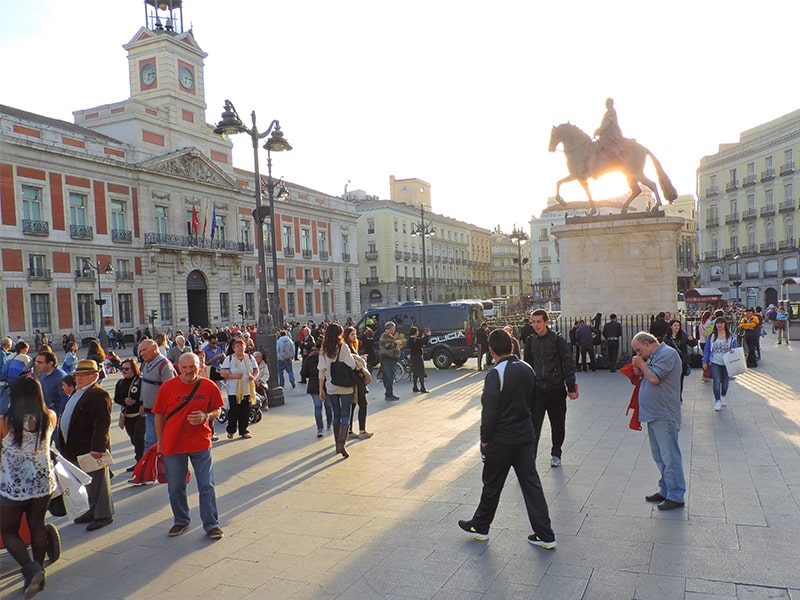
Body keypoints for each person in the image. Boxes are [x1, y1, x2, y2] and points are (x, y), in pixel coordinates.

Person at [457, 329, 556, 549]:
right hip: (524, 437)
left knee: (492, 484)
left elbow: (489, 412)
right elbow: (534, 404)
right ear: (512, 346)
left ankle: (481, 525)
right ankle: (545, 533)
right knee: (532, 485)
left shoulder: (496, 374)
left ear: (491, 351)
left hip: (501, 439)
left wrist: (485, 440)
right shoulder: (527, 368)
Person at [153, 353, 224, 540]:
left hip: (200, 442)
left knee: (206, 485)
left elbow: (218, 409)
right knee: (176, 487)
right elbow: (158, 415)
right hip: (173, 443)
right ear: (178, 367)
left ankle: (212, 525)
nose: (188, 371)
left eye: (192, 367)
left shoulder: (209, 386)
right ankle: (181, 520)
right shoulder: (167, 387)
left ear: (199, 366)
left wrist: (206, 416)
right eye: (184, 368)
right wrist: (160, 441)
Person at [0, 377, 57, 597]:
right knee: (37, 525)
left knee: (8, 531)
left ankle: (30, 569)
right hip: (43, 484)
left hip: (13, 487)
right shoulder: (49, 417)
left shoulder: (4, 422)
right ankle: (39, 568)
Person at [57, 359, 114, 530]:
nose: (79, 378)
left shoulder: (98, 394)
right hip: (76, 447)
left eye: (84, 375)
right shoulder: (79, 392)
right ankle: (92, 510)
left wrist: (97, 448)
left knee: (98, 483)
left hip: (90, 448)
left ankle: (104, 514)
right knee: (86, 483)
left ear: (95, 375)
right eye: (77, 375)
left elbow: (101, 422)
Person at [631, 332, 685, 510]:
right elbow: (649, 375)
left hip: (664, 413)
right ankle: (666, 489)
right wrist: (640, 368)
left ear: (648, 343)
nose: (639, 354)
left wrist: (642, 365)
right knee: (660, 455)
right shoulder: (654, 356)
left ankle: (676, 495)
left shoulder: (667, 354)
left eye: (639, 350)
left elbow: (654, 378)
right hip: (654, 413)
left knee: (669, 456)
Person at [523, 309, 578, 468]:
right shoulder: (530, 341)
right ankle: (530, 457)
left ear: (546, 322)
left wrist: (571, 387)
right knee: (533, 426)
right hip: (537, 390)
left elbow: (568, 363)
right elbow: (527, 366)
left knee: (558, 423)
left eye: (539, 321)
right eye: (533, 322)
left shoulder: (557, 339)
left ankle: (556, 453)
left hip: (556, 389)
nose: (536, 325)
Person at [318, 323, 357, 458]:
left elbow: (321, 371)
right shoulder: (344, 347)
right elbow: (352, 365)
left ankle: (336, 444)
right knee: (346, 414)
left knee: (336, 414)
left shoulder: (323, 349)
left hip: (331, 386)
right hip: (345, 385)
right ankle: (342, 443)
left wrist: (320, 390)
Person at [138, 339, 177, 451]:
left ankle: (149, 466)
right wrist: (142, 403)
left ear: (155, 348)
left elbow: (171, 391)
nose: (142, 353)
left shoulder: (165, 365)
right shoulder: (147, 364)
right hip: (149, 411)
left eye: (145, 350)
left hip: (160, 413)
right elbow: (144, 384)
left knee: (152, 442)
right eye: (140, 351)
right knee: (150, 441)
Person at [220, 338, 258, 440]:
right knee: (234, 411)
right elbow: (223, 372)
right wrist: (233, 376)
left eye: (242, 346)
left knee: (245, 410)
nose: (240, 348)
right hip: (233, 390)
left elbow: (256, 370)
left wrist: (253, 377)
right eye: (237, 346)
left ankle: (244, 430)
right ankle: (231, 430)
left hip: (247, 389)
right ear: (233, 348)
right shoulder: (229, 359)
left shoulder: (250, 358)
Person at [113, 358, 144, 469]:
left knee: (139, 439)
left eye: (126, 369)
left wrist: (142, 404)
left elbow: (146, 395)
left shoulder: (140, 381)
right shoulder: (120, 383)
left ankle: (141, 462)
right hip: (127, 416)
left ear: (133, 369)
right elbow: (116, 398)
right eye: (122, 369)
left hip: (140, 415)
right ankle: (140, 460)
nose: (124, 371)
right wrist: (124, 401)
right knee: (134, 440)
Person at [702, 318, 738, 412]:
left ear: (725, 324)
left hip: (727, 363)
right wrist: (704, 361)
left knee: (725, 382)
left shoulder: (731, 337)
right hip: (715, 362)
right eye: (717, 323)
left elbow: (735, 349)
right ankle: (717, 400)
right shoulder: (712, 336)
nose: (719, 325)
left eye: (721, 323)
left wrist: (732, 351)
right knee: (716, 381)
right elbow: (707, 350)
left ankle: (723, 396)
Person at [343, 326, 372, 439]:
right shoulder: (347, 348)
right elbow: (352, 363)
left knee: (353, 405)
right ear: (346, 335)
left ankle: (349, 431)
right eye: (352, 334)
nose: (354, 336)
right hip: (356, 380)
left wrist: (360, 358)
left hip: (352, 380)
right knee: (362, 404)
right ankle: (362, 430)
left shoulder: (349, 347)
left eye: (355, 334)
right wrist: (360, 360)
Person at [300, 338, 332, 437]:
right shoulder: (326, 357)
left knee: (317, 407)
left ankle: (320, 428)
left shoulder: (308, 359)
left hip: (313, 385)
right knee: (328, 406)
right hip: (326, 384)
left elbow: (303, 373)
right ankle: (329, 423)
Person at [588, 97, 624, 176]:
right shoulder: (610, 112)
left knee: (594, 150)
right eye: (606, 104)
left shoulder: (611, 112)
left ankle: (591, 172)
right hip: (607, 135)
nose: (606, 105)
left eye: (607, 104)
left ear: (610, 104)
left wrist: (598, 131)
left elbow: (606, 125)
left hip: (609, 136)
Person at [662, 320, 694, 401]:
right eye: (675, 325)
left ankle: (678, 395)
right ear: (671, 327)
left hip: (681, 361)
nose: (677, 327)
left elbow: (693, 344)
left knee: (680, 379)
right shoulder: (667, 337)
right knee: (670, 379)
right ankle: (671, 395)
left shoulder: (683, 336)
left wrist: (692, 339)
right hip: (671, 361)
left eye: (678, 326)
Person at [33, 351, 68, 415]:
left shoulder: (60, 378)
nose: (36, 365)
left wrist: (59, 415)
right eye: (36, 362)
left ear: (50, 364)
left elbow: (65, 398)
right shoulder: (44, 375)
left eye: (40, 363)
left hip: (56, 415)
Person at [378, 321, 402, 401]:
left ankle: (389, 394)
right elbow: (388, 346)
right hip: (387, 359)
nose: (394, 329)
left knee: (389, 376)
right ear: (391, 328)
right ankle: (389, 394)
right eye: (394, 328)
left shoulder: (387, 335)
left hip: (389, 358)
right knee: (388, 377)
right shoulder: (386, 335)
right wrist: (396, 342)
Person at [407, 325, 430, 393]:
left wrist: (423, 338)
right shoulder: (417, 340)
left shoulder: (410, 340)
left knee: (415, 372)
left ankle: (415, 387)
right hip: (418, 357)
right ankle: (422, 387)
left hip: (413, 357)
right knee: (421, 372)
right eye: (417, 331)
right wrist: (427, 336)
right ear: (415, 332)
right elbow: (424, 343)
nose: (418, 332)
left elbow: (421, 342)